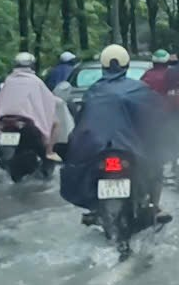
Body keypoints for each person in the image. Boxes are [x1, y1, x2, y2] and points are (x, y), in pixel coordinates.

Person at [59, 45, 168, 216]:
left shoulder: (93, 91)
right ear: (126, 65)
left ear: (103, 66)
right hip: (131, 150)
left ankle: (95, 209)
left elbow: (82, 124)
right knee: (157, 164)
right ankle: (154, 206)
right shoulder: (139, 89)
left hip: (99, 149)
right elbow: (156, 118)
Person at [0, 51, 67, 163]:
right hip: (27, 121)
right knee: (56, 123)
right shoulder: (36, 81)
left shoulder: (9, 80)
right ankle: (49, 152)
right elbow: (48, 99)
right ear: (32, 65)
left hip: (4, 121)